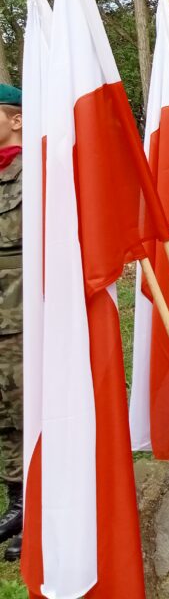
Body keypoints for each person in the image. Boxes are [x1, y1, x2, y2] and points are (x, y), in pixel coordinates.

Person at [0, 83, 23, 561]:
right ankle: (17, 503)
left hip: (25, 320)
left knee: (26, 411)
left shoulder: (38, 172)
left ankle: (36, 507)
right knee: (3, 415)